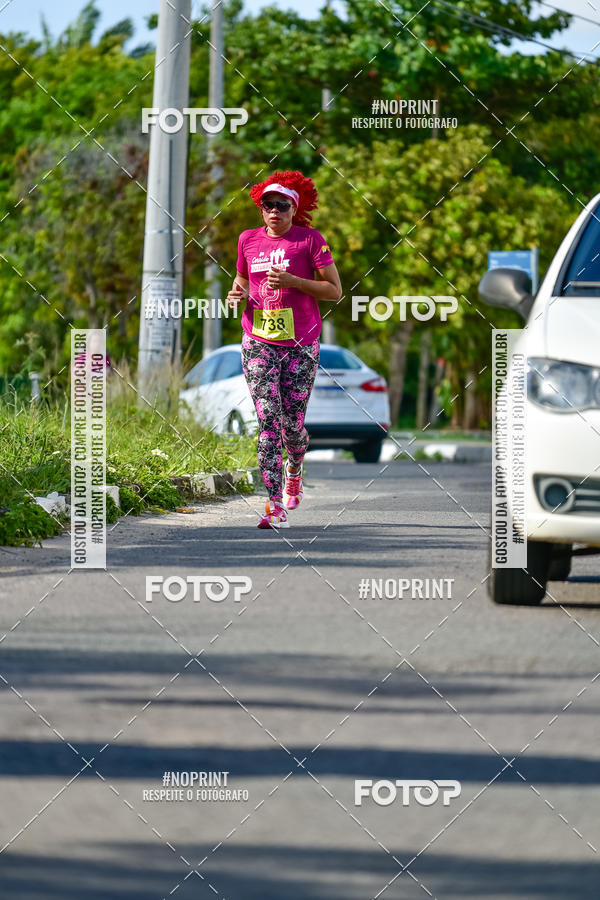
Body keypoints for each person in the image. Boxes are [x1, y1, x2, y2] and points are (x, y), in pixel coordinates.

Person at [226, 170, 342, 529]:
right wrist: (236, 295)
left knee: (292, 425)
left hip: (301, 344)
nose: (274, 211)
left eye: (282, 206)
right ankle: (274, 505)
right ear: (261, 210)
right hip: (258, 341)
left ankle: (295, 467)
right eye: (268, 205)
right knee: (267, 421)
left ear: (294, 209)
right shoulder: (248, 240)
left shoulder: (309, 241)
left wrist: (293, 282)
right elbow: (242, 280)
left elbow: (335, 291)